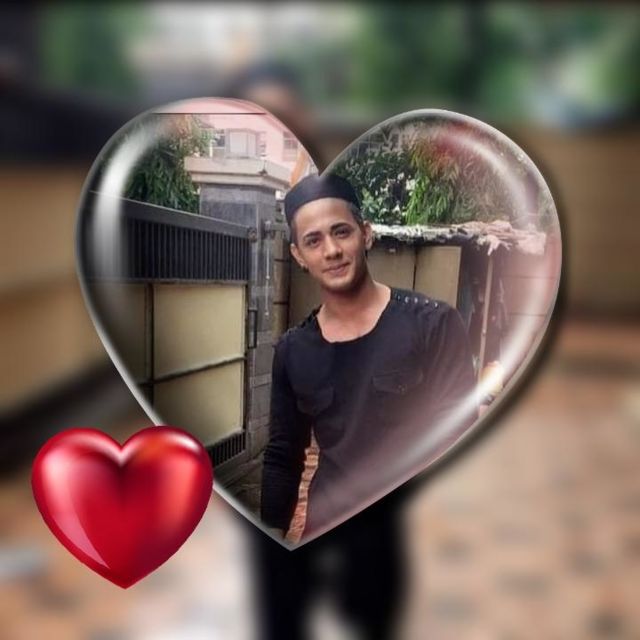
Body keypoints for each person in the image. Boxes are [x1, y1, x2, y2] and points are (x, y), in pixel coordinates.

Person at [255, 173, 477, 639]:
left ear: (366, 233)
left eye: (341, 232)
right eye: (313, 240)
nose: (331, 250)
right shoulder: (294, 350)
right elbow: (283, 455)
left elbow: (458, 435)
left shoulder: (433, 325)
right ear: (298, 255)